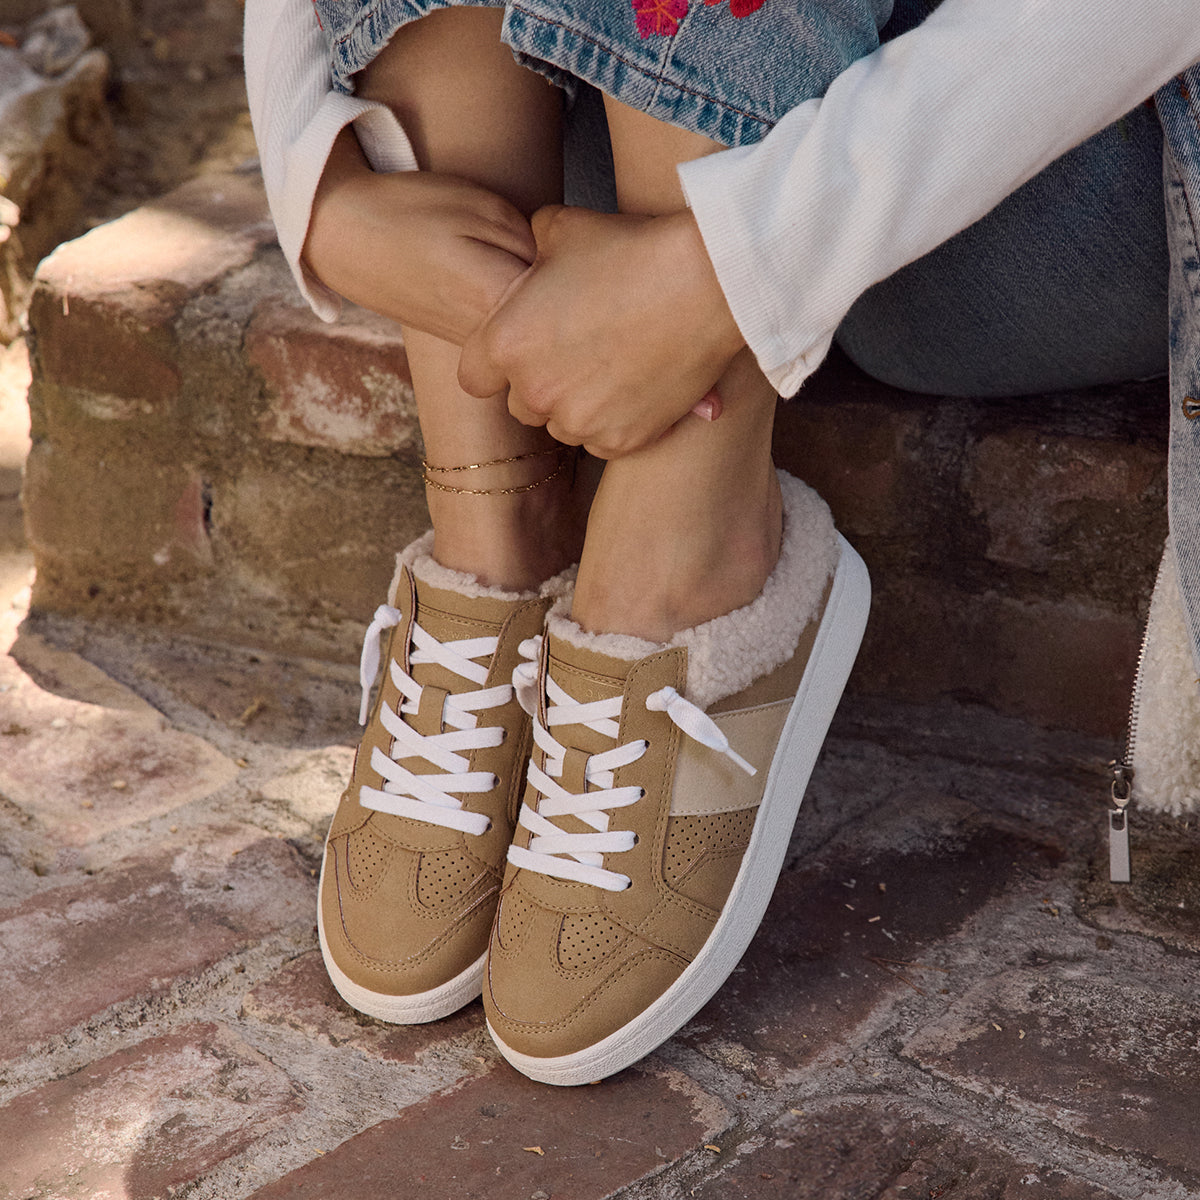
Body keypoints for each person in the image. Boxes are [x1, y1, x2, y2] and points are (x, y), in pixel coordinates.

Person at [245, 0, 1200, 1085]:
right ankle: (496, 535)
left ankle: (680, 549)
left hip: (1057, 192)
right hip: (651, 139)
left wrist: (735, 263)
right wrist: (319, 182)